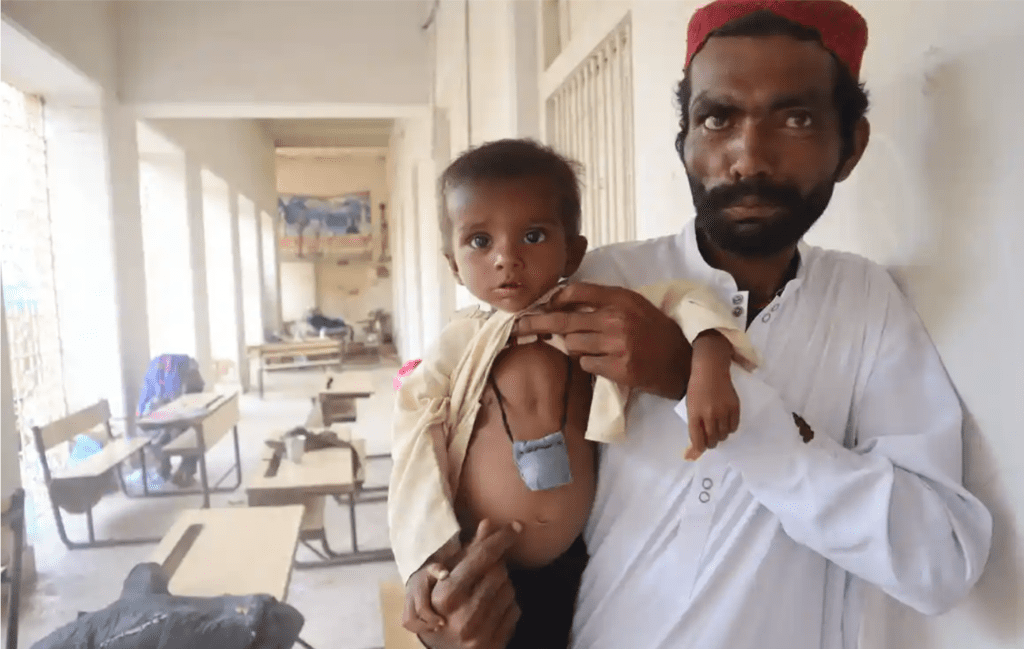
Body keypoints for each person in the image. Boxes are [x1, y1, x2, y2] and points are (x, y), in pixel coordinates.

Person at [408, 2, 994, 648]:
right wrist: (451, 612)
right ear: (683, 140)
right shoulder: (590, 287)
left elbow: (939, 562)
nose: (749, 158)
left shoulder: (864, 302)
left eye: (796, 118)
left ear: (850, 147)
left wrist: (700, 382)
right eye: (718, 119)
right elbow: (481, 484)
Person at [390, 139, 760, 649]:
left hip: (575, 563)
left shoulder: (594, 316)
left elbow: (686, 302)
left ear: (573, 251)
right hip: (483, 571)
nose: (506, 258)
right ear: (453, 263)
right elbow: (415, 444)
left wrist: (710, 362)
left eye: (534, 235)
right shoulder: (458, 346)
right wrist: (422, 561)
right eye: (479, 241)